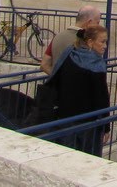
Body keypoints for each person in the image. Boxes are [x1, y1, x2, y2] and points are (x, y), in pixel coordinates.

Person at [47, 25, 111, 156]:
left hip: (65, 117)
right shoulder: (96, 64)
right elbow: (101, 98)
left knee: (67, 156)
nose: (105, 46)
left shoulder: (69, 54)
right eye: (102, 41)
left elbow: (56, 80)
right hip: (88, 123)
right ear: (90, 42)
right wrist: (106, 127)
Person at [40, 4, 101, 75]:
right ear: (89, 22)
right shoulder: (87, 42)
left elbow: (44, 65)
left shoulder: (57, 37)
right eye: (97, 23)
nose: (98, 26)